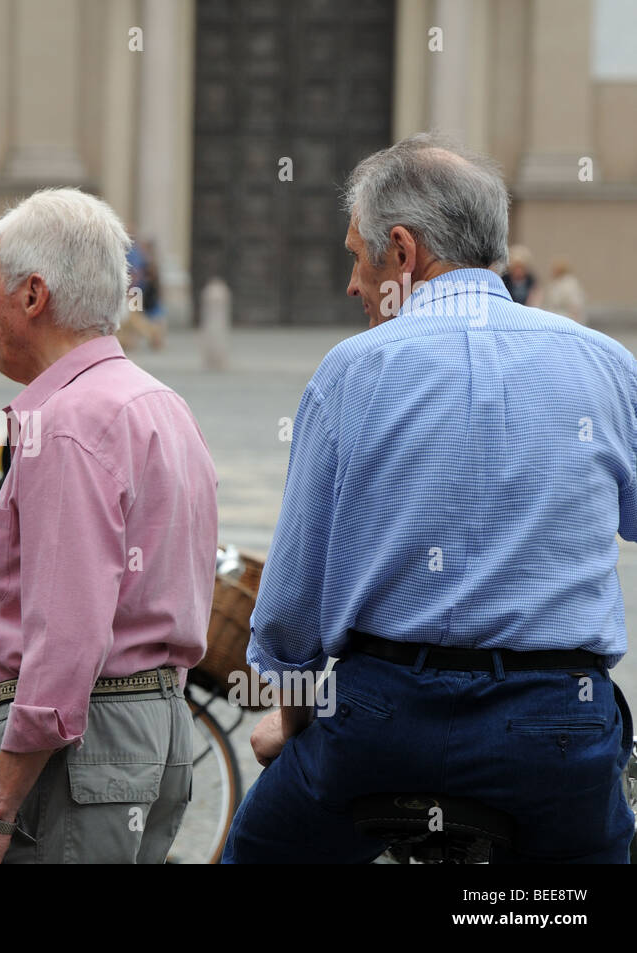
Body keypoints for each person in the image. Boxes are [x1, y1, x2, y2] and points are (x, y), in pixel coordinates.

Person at [223, 133, 635, 863]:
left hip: (381, 722)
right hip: (557, 726)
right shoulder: (606, 364)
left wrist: (289, 718)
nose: (353, 284)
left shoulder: (351, 372)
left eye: (357, 256)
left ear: (403, 252)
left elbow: (290, 609)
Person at [0, 188, 218, 864]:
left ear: (34, 294)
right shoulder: (163, 404)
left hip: (79, 746)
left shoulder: (67, 423)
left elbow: (66, 640)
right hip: (153, 728)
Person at [542, 257, 587, 325]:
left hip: (567, 318)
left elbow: (575, 303)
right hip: (555, 317)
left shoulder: (569, 283)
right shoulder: (555, 283)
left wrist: (575, 321)